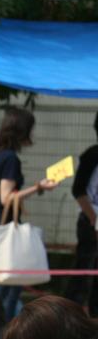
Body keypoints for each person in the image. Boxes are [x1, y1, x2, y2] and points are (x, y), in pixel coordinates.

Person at [0, 106, 59, 320]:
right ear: (22, 131)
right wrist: (40, 187)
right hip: (4, 232)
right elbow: (6, 197)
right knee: (7, 297)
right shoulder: (11, 159)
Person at [65, 112, 98, 313]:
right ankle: (70, 315)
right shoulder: (92, 155)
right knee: (84, 270)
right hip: (90, 221)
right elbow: (78, 190)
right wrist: (94, 220)